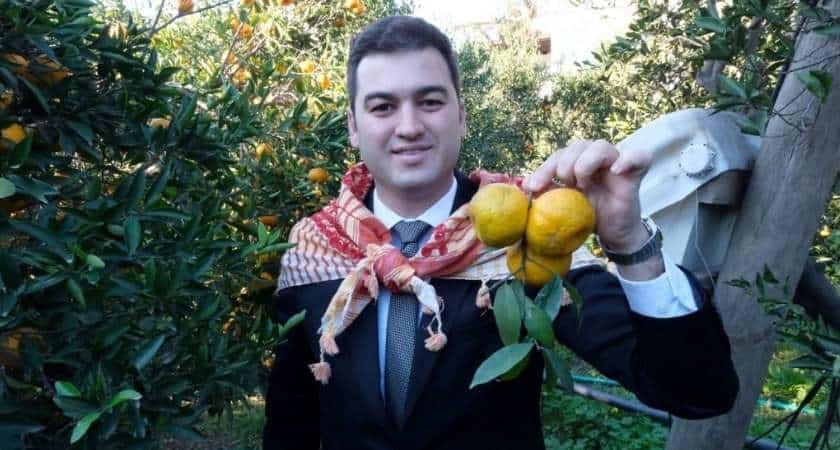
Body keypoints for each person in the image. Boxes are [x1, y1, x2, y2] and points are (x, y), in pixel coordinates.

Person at [263, 15, 738, 450]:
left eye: (430, 102)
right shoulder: (314, 247)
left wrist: (630, 242)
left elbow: (698, 392)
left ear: (461, 116)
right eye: (383, 106)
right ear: (353, 126)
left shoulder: (529, 233)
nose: (408, 126)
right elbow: (291, 419)